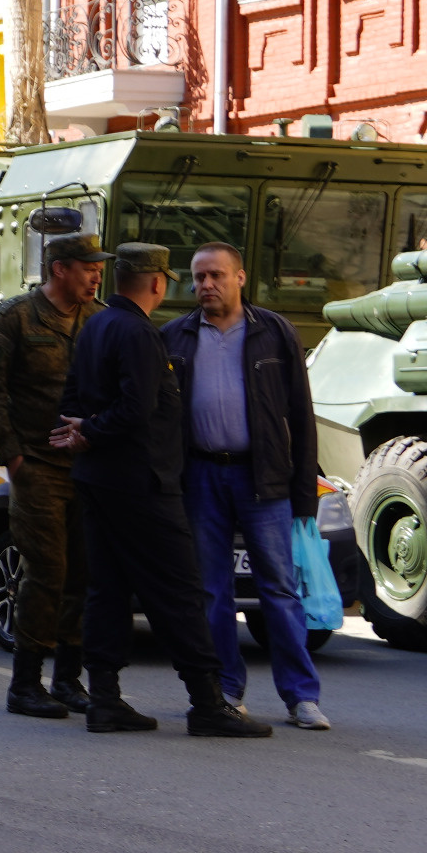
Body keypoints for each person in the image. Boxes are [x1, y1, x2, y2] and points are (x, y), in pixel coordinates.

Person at [48, 243, 271, 738]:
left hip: (98, 480)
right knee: (180, 591)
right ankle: (208, 702)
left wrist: (80, 433)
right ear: (157, 282)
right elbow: (137, 408)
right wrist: (92, 431)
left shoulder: (96, 325)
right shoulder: (136, 332)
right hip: (141, 483)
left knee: (107, 590)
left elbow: (71, 398)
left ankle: (104, 698)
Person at [164, 244, 330, 730]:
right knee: (212, 593)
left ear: (240, 277)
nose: (205, 285)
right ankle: (225, 691)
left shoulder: (274, 333)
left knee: (279, 590)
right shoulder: (175, 337)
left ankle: (301, 697)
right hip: (200, 477)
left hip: (264, 480)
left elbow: (300, 416)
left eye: (215, 275)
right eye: (198, 278)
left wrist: (304, 492)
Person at [0, 227, 107, 718]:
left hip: (86, 467)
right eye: (88, 267)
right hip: (37, 467)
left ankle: (68, 678)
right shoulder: (16, 317)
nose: (96, 275)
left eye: (98, 267)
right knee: (47, 571)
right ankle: (25, 683)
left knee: (82, 572)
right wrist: (12, 457)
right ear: (60, 270)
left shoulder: (98, 318)